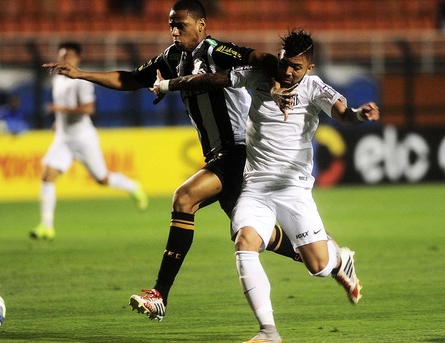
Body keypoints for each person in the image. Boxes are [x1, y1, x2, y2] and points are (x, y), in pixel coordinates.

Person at [43, 0, 301, 321]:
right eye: (170, 25)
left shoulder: (217, 51)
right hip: (219, 154)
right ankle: (322, 254)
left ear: (201, 25)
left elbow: (261, 59)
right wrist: (81, 74)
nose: (174, 31)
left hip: (240, 150)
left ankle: (159, 294)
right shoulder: (172, 58)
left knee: (184, 199)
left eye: (180, 25)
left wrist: (277, 83)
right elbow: (131, 80)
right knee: (248, 233)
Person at [152, 29, 379, 342]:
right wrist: (167, 83)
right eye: (285, 63)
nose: (288, 71)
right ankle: (268, 332)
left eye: (296, 67)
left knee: (318, 265)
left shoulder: (316, 89)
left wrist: (359, 115)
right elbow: (211, 80)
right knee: (244, 242)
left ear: (309, 68)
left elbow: (344, 114)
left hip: (293, 189)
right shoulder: (257, 76)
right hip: (256, 185)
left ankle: (340, 259)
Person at [30, 41, 149, 241]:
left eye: (67, 56)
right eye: (61, 56)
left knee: (102, 179)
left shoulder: (80, 81)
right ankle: (46, 226)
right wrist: (58, 122)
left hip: (83, 137)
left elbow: (88, 109)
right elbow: (64, 108)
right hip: (63, 138)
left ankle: (133, 186)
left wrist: (59, 111)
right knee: (47, 176)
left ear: (78, 58)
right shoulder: (58, 80)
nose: (63, 60)